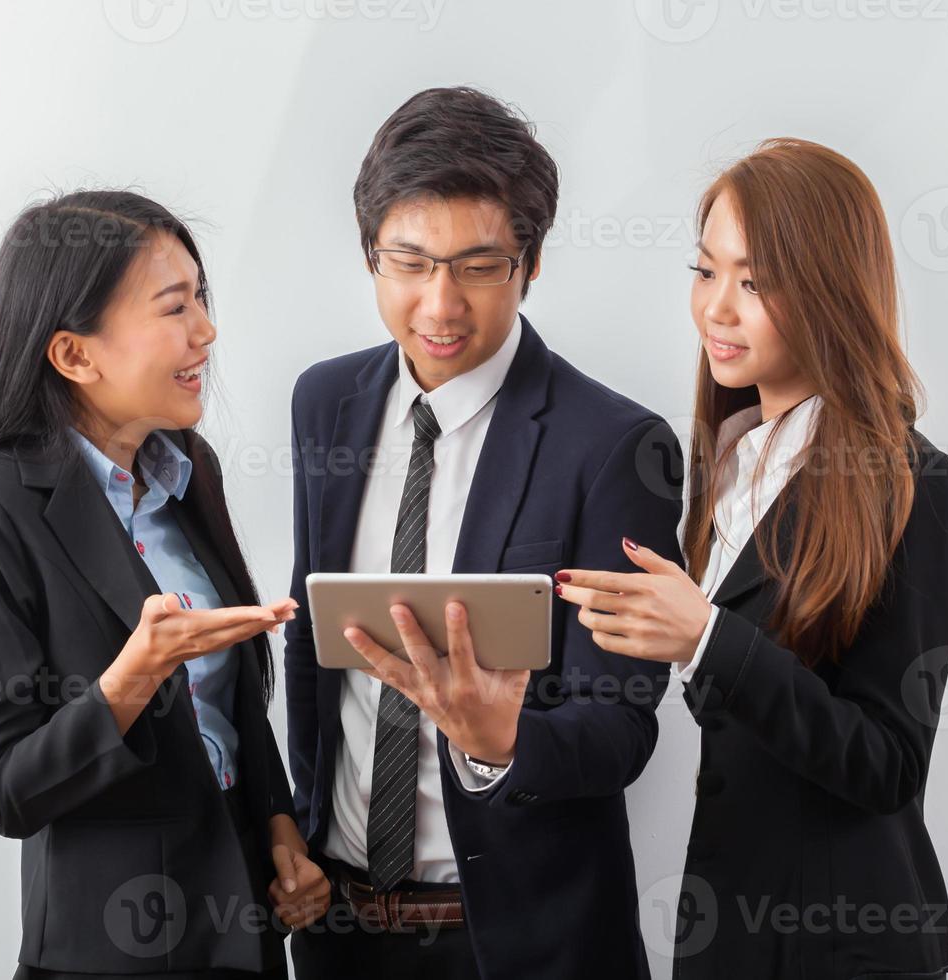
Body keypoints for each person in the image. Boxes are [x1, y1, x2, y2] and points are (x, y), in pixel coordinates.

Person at [281, 87, 684, 979]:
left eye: (478, 266)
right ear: (370, 254)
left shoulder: (615, 447)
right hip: (339, 930)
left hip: (519, 941)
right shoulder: (326, 402)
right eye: (410, 262)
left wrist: (503, 739)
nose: (439, 305)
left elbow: (623, 727)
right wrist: (298, 827)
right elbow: (314, 654)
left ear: (530, 264)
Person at [555, 138, 948, 979]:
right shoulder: (731, 459)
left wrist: (708, 638)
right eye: (706, 271)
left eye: (756, 282)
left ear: (831, 291)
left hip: (844, 947)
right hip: (732, 934)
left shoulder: (912, 483)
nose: (717, 307)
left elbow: (887, 762)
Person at [0, 190, 330, 979]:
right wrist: (132, 677)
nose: (206, 332)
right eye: (175, 308)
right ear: (75, 354)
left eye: (202, 300)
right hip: (109, 956)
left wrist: (280, 828)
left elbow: (231, 708)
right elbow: (8, 788)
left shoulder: (187, 469)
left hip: (245, 940)